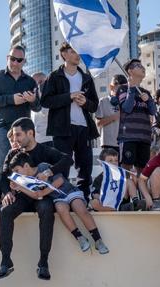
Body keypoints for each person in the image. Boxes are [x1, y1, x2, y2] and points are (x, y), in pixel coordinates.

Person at [0, 117, 73, 280]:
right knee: (5, 211)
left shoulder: (46, 150)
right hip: (22, 197)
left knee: (46, 210)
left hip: (42, 197)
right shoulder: (13, 153)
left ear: (30, 133)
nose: (15, 139)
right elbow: (3, 175)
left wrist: (49, 172)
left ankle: (43, 263)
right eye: (14, 136)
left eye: (18, 135)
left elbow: (67, 159)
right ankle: (6, 261)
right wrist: (7, 192)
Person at [10, 152, 109, 255]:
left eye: (17, 171)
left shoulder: (42, 167)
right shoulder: (27, 182)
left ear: (26, 165)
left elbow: (60, 181)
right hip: (58, 198)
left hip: (69, 191)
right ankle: (79, 237)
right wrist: (20, 187)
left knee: (80, 208)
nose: (16, 175)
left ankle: (98, 240)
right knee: (61, 210)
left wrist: (43, 192)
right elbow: (36, 195)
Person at [41, 42, 99, 200]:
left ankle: (84, 199)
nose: (77, 55)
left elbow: (94, 105)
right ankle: (61, 198)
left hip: (84, 128)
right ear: (64, 54)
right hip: (62, 129)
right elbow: (45, 101)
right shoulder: (54, 76)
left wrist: (85, 102)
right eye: (73, 51)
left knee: (85, 167)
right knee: (62, 166)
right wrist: (69, 96)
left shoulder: (87, 78)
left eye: (78, 52)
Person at [0, 45, 40, 169]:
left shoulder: (30, 82)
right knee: (2, 163)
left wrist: (33, 100)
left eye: (19, 60)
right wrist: (11, 99)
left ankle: (22, 189)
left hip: (24, 130)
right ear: (7, 58)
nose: (15, 62)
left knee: (26, 163)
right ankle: (2, 189)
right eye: (13, 59)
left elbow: (37, 107)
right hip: (2, 127)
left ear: (24, 61)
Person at [117, 59, 157, 174]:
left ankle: (140, 191)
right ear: (130, 71)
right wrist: (132, 89)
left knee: (143, 170)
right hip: (128, 137)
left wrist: (149, 100)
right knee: (126, 168)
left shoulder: (146, 92)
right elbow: (127, 108)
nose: (142, 67)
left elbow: (153, 111)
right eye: (138, 66)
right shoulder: (123, 89)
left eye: (142, 65)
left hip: (144, 137)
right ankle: (127, 191)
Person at [95, 74, 127, 152]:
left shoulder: (127, 103)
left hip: (125, 143)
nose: (123, 91)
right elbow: (98, 123)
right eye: (120, 89)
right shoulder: (103, 101)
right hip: (108, 143)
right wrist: (115, 116)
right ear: (111, 87)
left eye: (125, 89)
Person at [30, 72, 53, 147]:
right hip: (37, 142)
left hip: (51, 139)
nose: (38, 86)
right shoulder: (31, 100)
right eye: (34, 84)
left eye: (40, 82)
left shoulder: (53, 94)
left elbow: (46, 112)